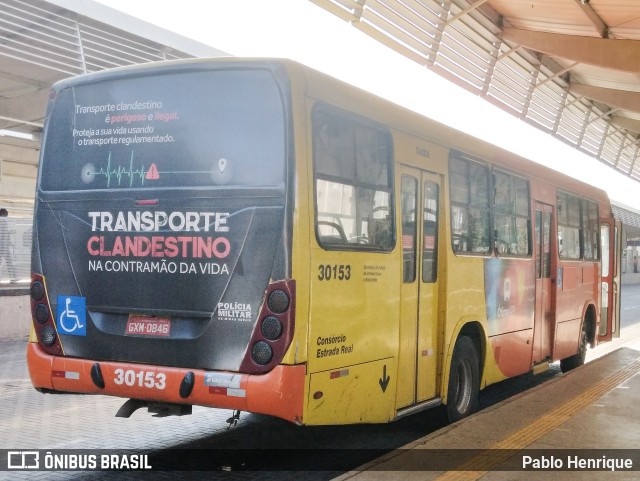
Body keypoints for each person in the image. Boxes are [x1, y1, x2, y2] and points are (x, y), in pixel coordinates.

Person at [0, 208, 17, 282]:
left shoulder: (3, 222)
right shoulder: (2, 222)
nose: (6, 217)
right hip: (2, 246)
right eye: (6, 215)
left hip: (4, 246)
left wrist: (9, 242)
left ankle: (14, 278)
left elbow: (5, 234)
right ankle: (13, 278)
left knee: (9, 262)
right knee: (9, 262)